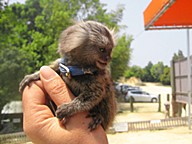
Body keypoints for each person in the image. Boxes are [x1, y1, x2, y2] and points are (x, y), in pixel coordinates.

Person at [22, 66, 108, 144]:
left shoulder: (97, 71)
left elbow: (95, 94)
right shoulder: (64, 63)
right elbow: (54, 67)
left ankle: (99, 115)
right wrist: (37, 76)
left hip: (94, 112)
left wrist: (71, 107)